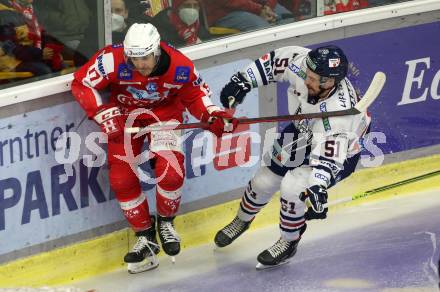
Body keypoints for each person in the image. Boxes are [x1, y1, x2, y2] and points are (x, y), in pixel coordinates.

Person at [71, 23, 238, 273]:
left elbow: (196, 96)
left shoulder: (179, 65)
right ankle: (145, 237)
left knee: (171, 171)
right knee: (121, 178)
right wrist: (103, 112)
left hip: (164, 116)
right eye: (134, 58)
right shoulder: (111, 60)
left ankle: (166, 223)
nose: (140, 65)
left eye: (145, 58)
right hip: (125, 119)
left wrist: (212, 115)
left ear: (157, 51)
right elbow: (82, 83)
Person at [214, 45, 371, 269]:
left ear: (329, 82)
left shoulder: (339, 115)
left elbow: (327, 161)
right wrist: (242, 82)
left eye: (314, 79)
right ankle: (242, 219)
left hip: (342, 152)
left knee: (293, 187)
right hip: (303, 131)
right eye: (307, 73)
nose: (306, 79)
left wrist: (318, 187)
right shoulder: (302, 62)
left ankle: (288, 242)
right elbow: (271, 63)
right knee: (264, 180)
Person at [147, 0, 211, 47]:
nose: (192, 9)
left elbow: (210, 44)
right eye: (187, 5)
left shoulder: (196, 26)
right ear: (177, 7)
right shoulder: (159, 26)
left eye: (195, 6)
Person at [204, 0, 294, 32]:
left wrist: (268, 6)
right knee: (264, 30)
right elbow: (229, 2)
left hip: (256, 6)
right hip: (225, 13)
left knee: (289, 20)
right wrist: (259, 10)